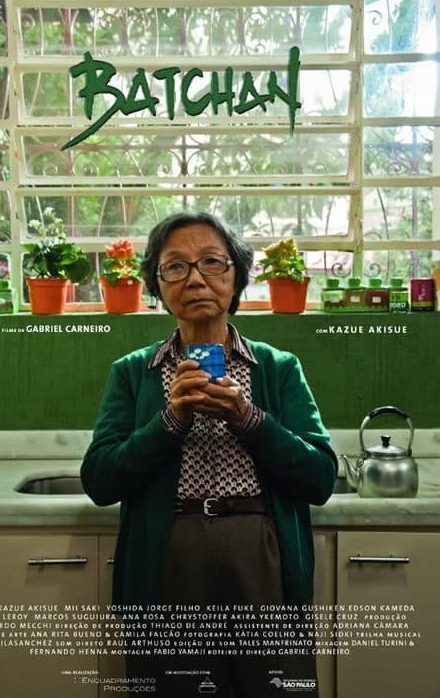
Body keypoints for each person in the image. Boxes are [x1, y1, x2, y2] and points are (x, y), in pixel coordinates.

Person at [81, 212, 337, 698]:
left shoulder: (278, 368)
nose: (195, 279)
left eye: (212, 263)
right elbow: (99, 480)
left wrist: (249, 419)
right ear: (157, 286)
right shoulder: (133, 372)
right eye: (175, 266)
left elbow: (320, 477)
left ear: (236, 276)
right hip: (168, 554)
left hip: (261, 551)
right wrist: (169, 423)